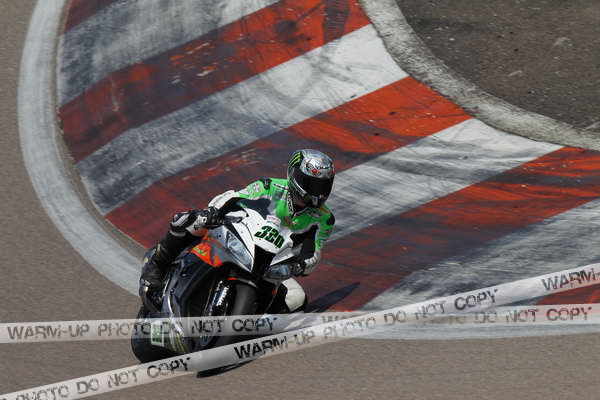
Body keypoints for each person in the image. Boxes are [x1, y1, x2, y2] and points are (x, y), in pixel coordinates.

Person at [139, 149, 336, 313]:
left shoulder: (325, 218)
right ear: (294, 175)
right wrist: (213, 212)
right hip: (242, 238)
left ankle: (250, 329)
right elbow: (234, 197)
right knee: (191, 220)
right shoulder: (270, 186)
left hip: (272, 263)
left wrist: (300, 266)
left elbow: (314, 252)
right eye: (311, 184)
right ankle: (156, 263)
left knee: (298, 300)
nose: (317, 191)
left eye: (323, 185)